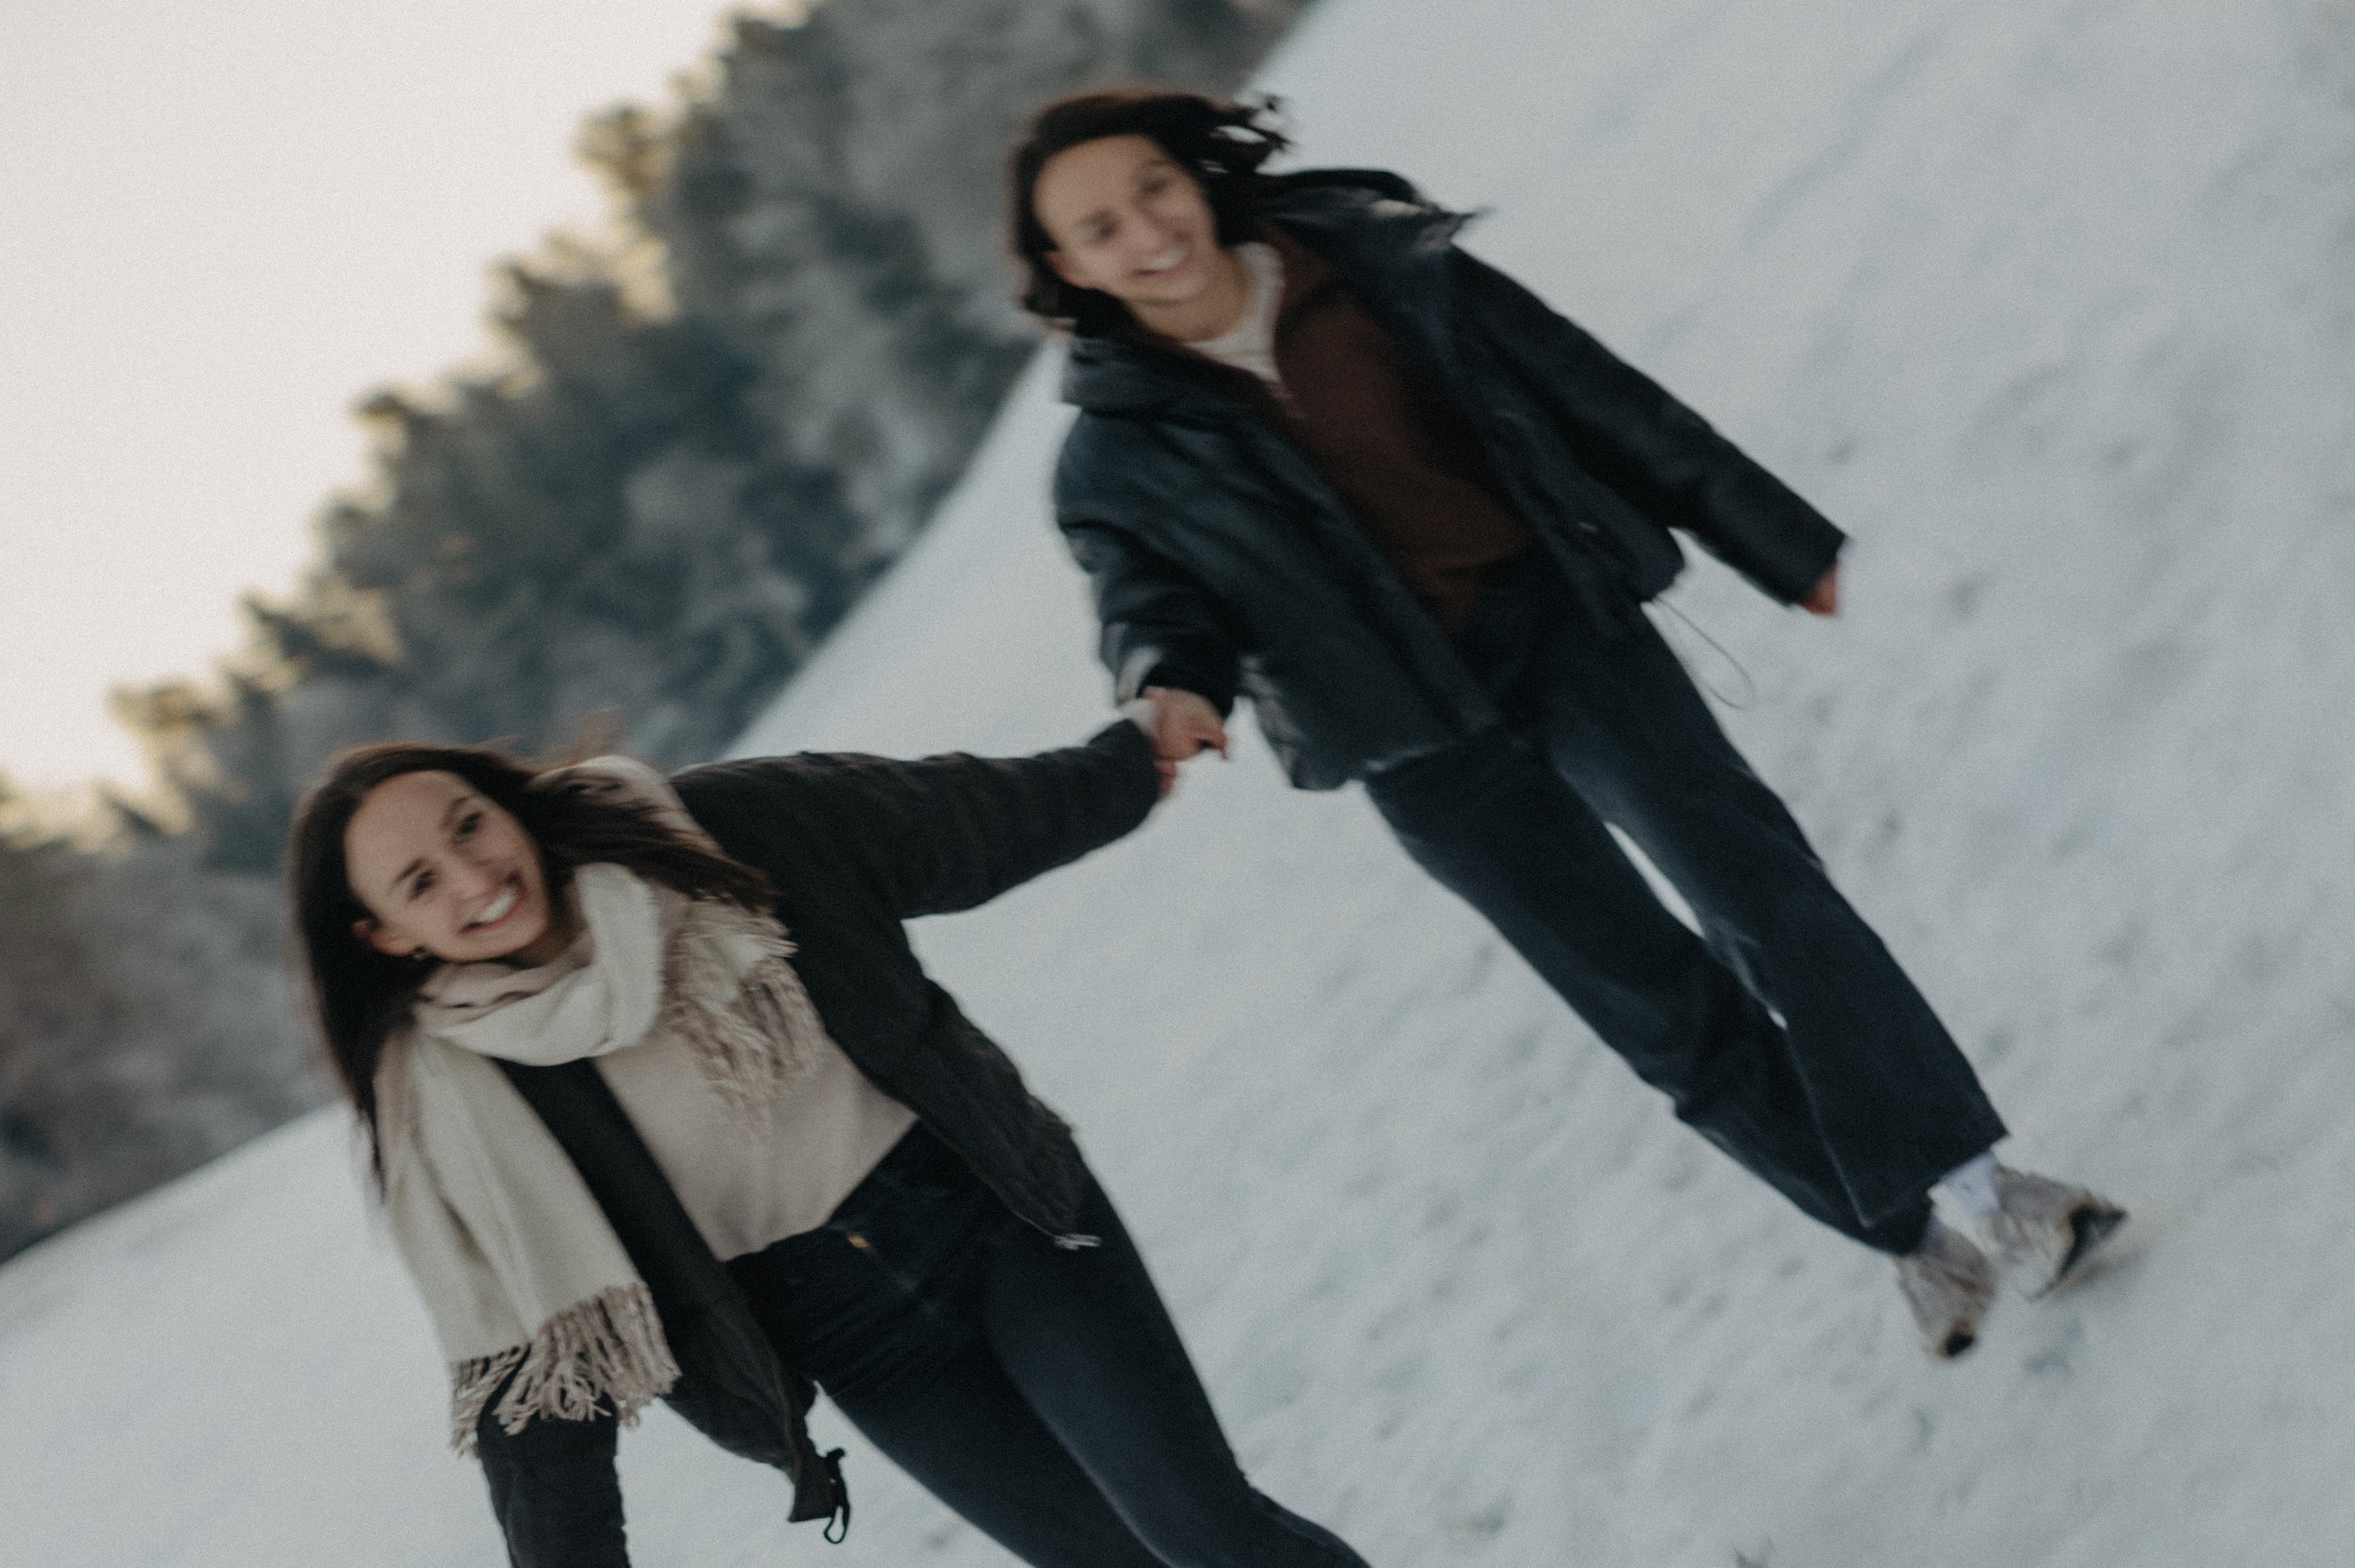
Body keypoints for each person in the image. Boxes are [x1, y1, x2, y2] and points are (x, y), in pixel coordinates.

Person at [1006, 88, 2124, 1357]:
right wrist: (1172, 682)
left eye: (1153, 187)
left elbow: (1599, 397)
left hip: (1562, 631)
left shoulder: (1379, 265)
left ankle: (1997, 1200)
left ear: (1192, 174)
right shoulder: (1107, 463)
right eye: (1098, 228)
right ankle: (1909, 1243)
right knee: (1651, 1005)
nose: (1144, 231)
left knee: (1761, 896)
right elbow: (1150, 602)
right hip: (1411, 745)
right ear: (1066, 268)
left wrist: (1778, 539)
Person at [284, 699, 1375, 1568]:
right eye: (421, 880)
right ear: (381, 935)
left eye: (467, 823)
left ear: (504, 802)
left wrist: (1127, 758)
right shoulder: (461, 1107)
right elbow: (538, 1383)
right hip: (858, 1345)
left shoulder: (705, 834)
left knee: (1210, 1537)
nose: (474, 877)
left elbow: (952, 819)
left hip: (999, 1222)